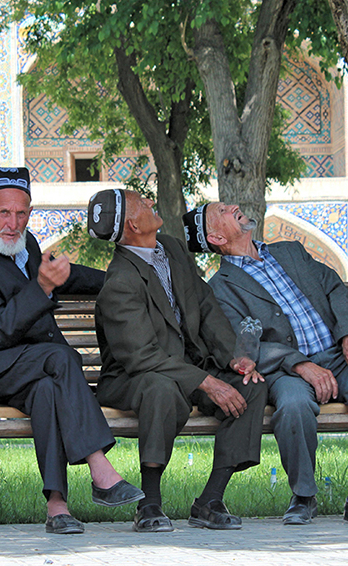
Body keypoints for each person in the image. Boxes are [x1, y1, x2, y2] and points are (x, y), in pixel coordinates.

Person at [0, 167, 142, 535]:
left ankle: (57, 507)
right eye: (3, 213)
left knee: (47, 389)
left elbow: (65, 275)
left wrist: (123, 278)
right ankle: (101, 470)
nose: (13, 223)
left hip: (22, 366)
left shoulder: (25, 245)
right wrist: (43, 289)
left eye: (22, 213)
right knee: (60, 357)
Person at [184, 202, 348, 525]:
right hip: (287, 369)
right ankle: (304, 496)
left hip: (340, 353)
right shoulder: (220, 288)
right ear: (215, 237)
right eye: (220, 211)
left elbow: (333, 287)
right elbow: (244, 346)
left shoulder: (290, 251)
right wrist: (301, 365)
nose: (232, 206)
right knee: (293, 404)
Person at [88, 188, 267, 533]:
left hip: (186, 366)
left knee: (252, 387)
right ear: (132, 225)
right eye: (141, 203)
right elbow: (142, 358)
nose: (151, 202)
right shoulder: (121, 282)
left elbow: (204, 303)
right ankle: (149, 503)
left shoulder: (169, 247)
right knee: (161, 389)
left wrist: (234, 358)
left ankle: (210, 500)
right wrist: (207, 382)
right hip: (135, 377)